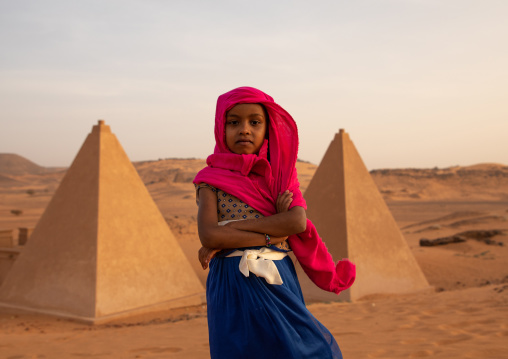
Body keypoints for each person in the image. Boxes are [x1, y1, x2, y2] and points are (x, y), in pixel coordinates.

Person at [194, 87, 355, 359]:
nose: (244, 129)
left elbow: (296, 221)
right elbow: (209, 237)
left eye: (254, 122)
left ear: (268, 128)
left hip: (277, 277)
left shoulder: (280, 175)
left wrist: (231, 229)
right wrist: (273, 232)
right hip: (232, 280)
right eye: (234, 122)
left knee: (299, 349)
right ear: (221, 128)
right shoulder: (210, 179)